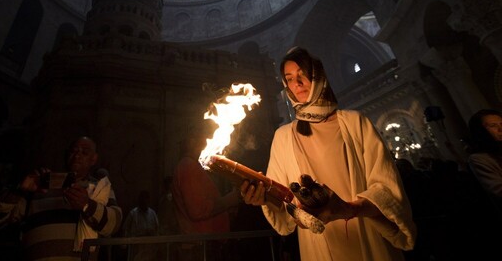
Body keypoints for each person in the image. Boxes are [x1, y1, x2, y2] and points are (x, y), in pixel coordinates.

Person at [241, 47, 416, 261]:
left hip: (367, 238)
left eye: (303, 74)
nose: (297, 82)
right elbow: (285, 202)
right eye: (290, 78)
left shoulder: (354, 123)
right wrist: (264, 197)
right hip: (320, 246)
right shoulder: (284, 136)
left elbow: (387, 188)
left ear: (318, 76)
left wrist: (346, 209)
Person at [0, 136, 122, 260]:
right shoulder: (40, 186)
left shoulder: (100, 188)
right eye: (73, 151)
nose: (77, 156)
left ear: (93, 159)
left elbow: (114, 224)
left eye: (85, 152)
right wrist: (19, 191)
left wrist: (87, 205)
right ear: (66, 154)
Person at [171, 126, 241, 260]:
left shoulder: (190, 165)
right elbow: (198, 210)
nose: (203, 141)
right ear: (189, 142)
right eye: (197, 138)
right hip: (201, 247)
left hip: (204, 244)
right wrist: (231, 199)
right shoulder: (188, 166)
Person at [466, 108, 502, 217]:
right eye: (493, 126)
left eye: (501, 124)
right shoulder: (479, 159)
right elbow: (498, 190)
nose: (500, 129)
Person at [123, 190, 160, 261]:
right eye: (143, 200)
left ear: (149, 201)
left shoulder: (153, 214)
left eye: (146, 200)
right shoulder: (133, 214)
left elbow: (157, 229)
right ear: (139, 201)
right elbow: (125, 229)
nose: (145, 202)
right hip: (136, 248)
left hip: (150, 248)